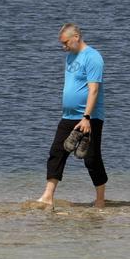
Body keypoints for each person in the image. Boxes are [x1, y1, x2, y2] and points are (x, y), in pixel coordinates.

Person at [37, 24, 107, 209]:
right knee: (57, 152)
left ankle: (100, 200)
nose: (64, 47)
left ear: (76, 37)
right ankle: (47, 196)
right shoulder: (69, 57)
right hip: (68, 116)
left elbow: (94, 90)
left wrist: (87, 118)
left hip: (89, 117)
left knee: (91, 158)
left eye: (66, 42)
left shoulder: (93, 57)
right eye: (62, 43)